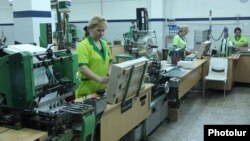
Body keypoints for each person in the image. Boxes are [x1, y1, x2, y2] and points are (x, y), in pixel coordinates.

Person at [76, 16, 112, 98]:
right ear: (90, 29)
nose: (101, 33)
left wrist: (109, 73)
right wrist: (100, 79)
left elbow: (110, 61)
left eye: (103, 30)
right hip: (87, 93)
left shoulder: (105, 44)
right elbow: (83, 68)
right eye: (98, 30)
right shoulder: (83, 45)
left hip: (102, 91)